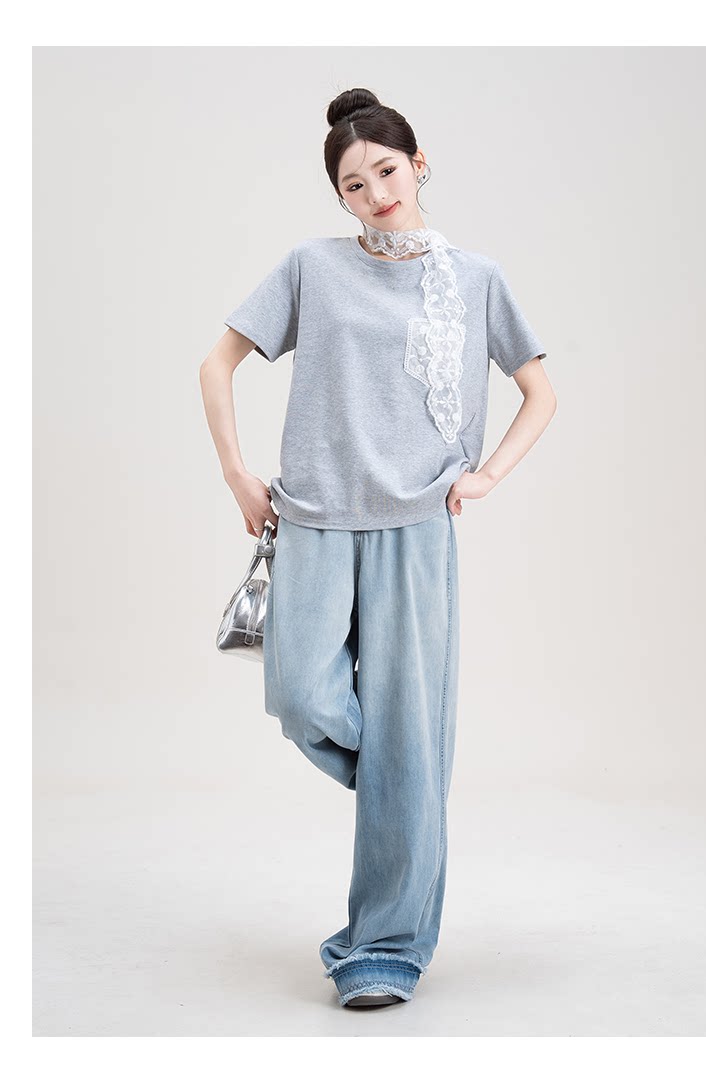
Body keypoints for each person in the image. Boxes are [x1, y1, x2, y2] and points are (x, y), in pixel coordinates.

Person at [199, 87, 557, 1009]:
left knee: (407, 733)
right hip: (315, 516)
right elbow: (217, 363)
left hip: (415, 527)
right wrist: (239, 474)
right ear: (341, 197)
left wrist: (487, 474)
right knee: (300, 694)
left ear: (419, 164)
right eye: (354, 185)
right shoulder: (311, 268)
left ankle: (385, 947)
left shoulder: (476, 278)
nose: (376, 193)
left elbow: (540, 391)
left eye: (388, 171)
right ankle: (406, 778)